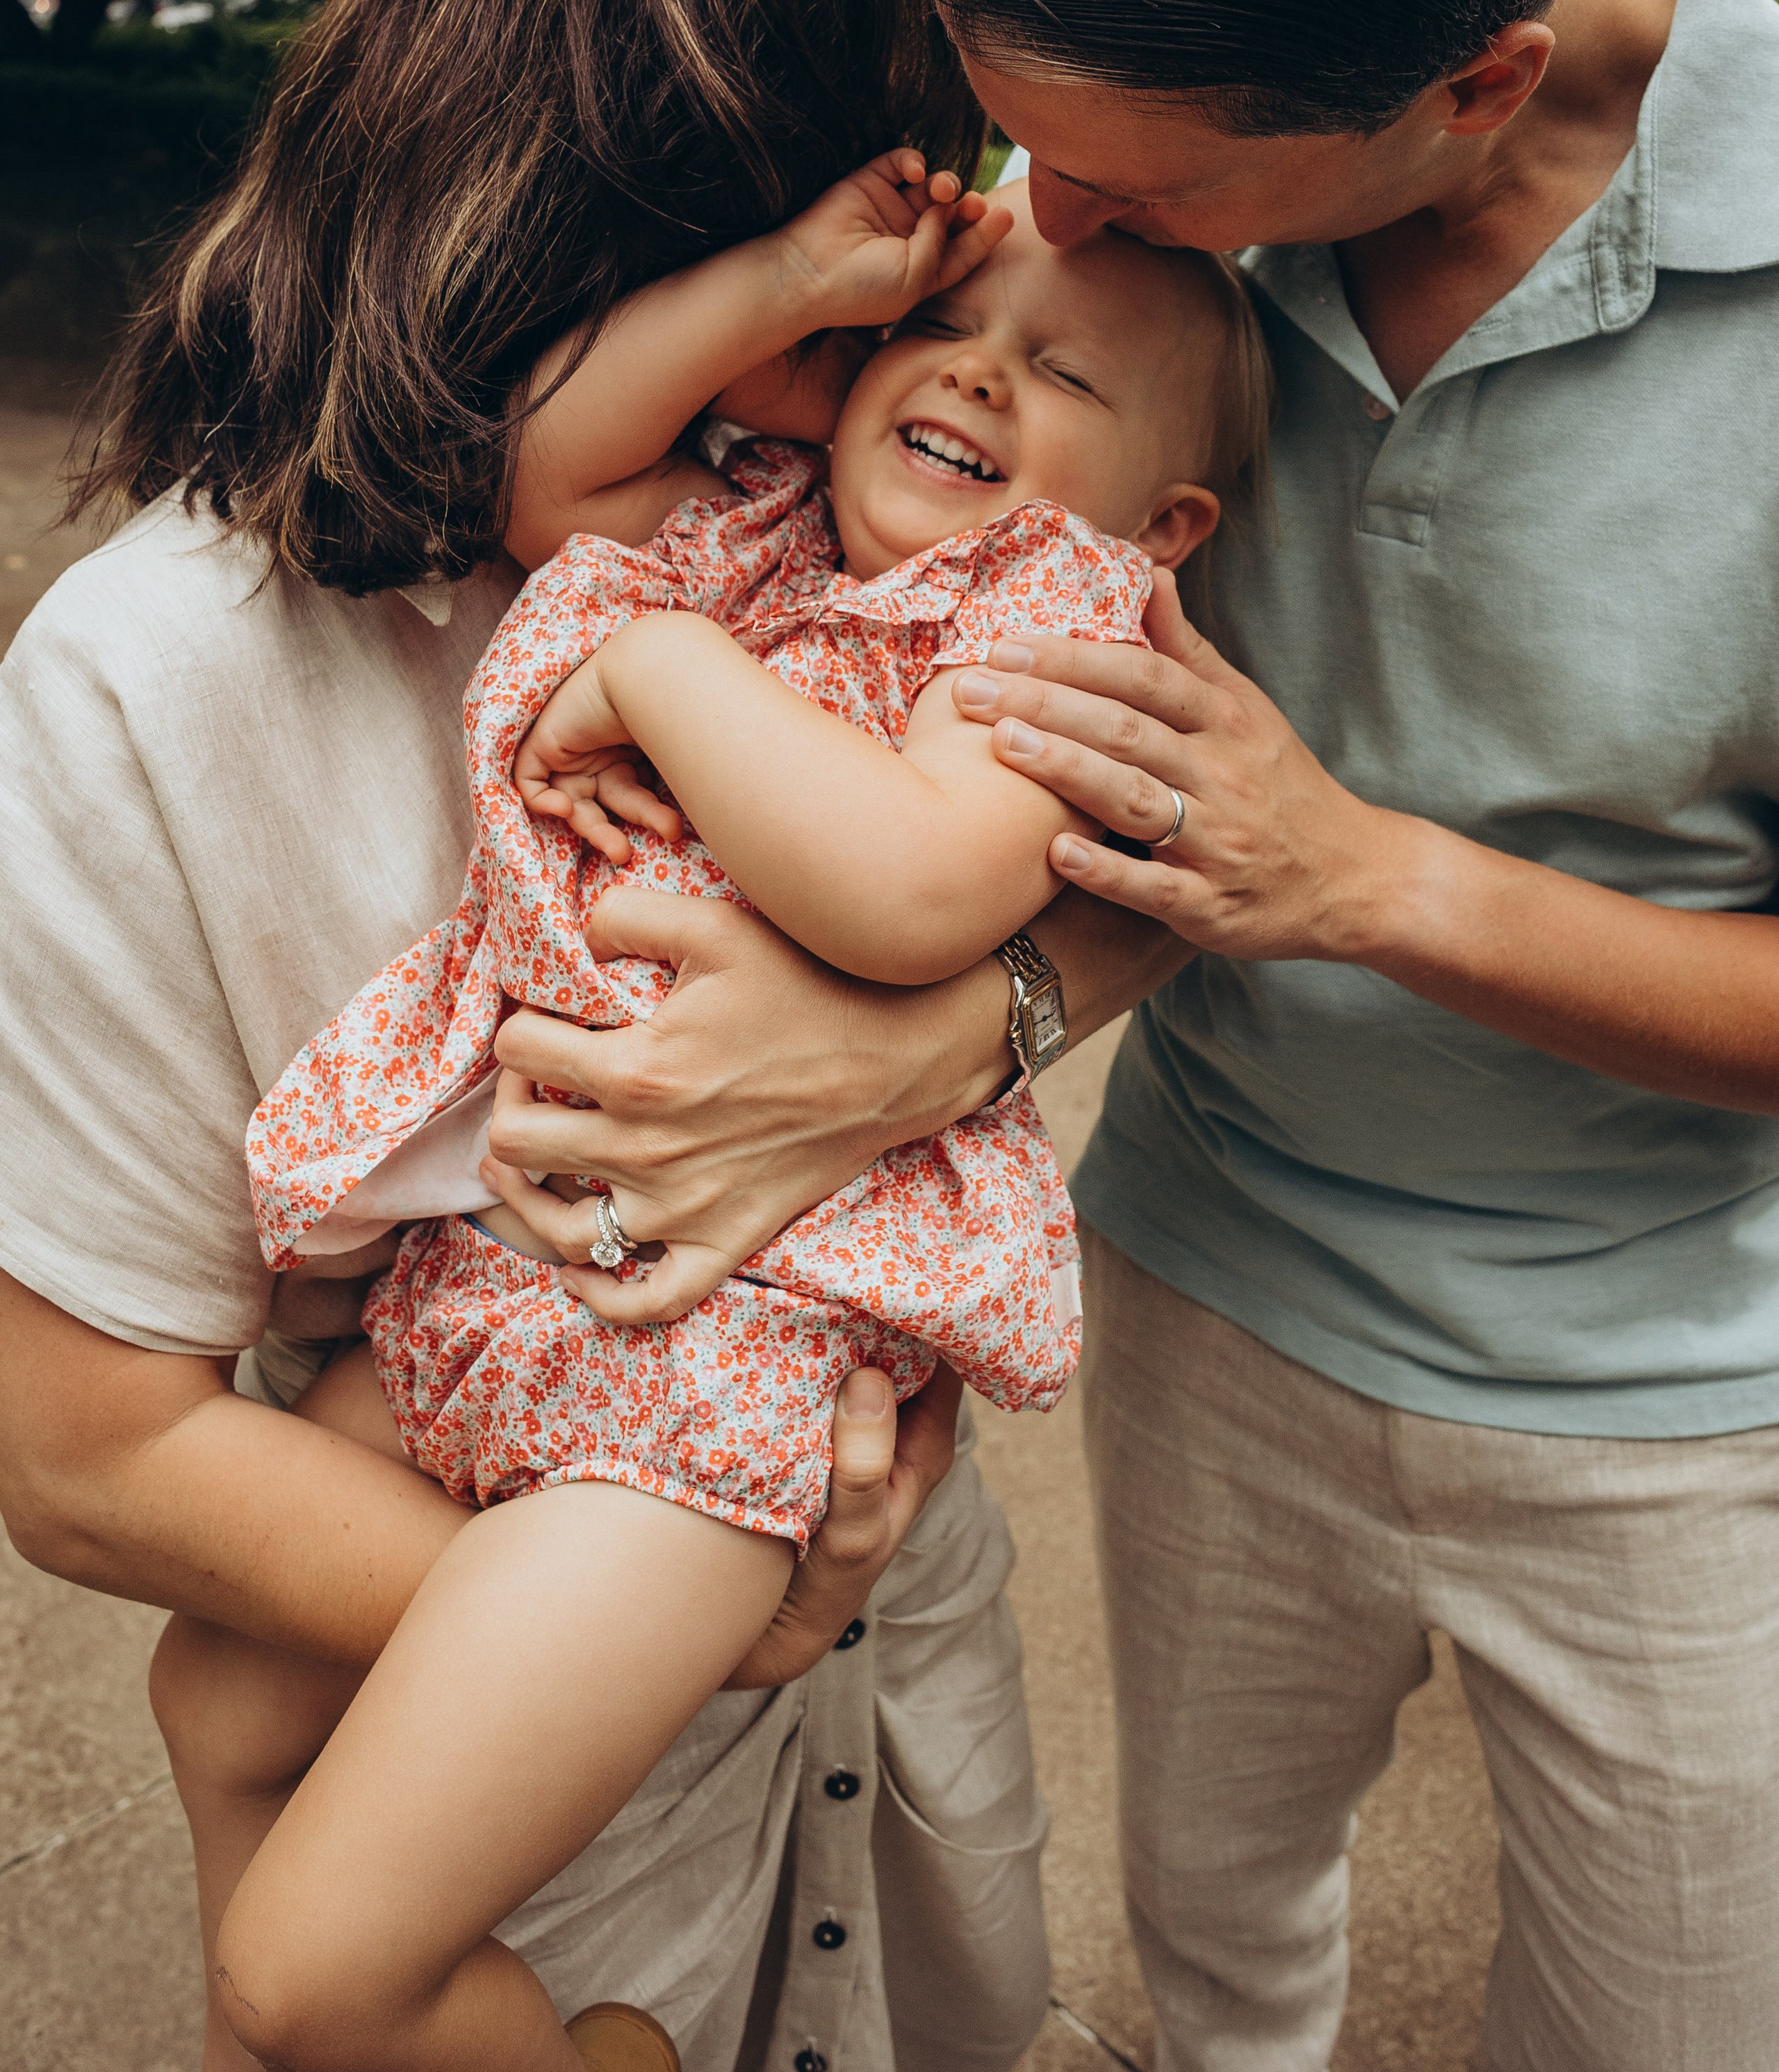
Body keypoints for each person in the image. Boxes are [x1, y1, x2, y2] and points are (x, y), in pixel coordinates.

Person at [0, 0, 1051, 2072]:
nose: (862, 362)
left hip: (882, 1655)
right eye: (799, 266)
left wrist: (959, 1029)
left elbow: (1150, 823)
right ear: (577, 219)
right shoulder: (154, 679)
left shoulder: (815, 519)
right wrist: (700, 1596)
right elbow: (85, 1449)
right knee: (296, 1887)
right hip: (512, 1706)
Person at [903, 0, 1779, 2072]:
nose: (1043, 230)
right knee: (1215, 1953)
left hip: (1680, 1399)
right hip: (1210, 1282)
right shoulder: (1189, 73)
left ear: (1475, 85)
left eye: (1140, 189)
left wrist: (1372, 877)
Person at [152, 183, 1266, 2071]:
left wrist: (662, 671)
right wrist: (807, 282)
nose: (979, 375)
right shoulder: (758, 519)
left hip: (706, 1364)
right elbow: (543, 465)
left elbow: (913, 890)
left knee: (303, 1975)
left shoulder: (1052, 623)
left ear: (1162, 523)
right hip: (488, 1279)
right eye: (941, 329)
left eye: (1062, 370)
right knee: (217, 1701)